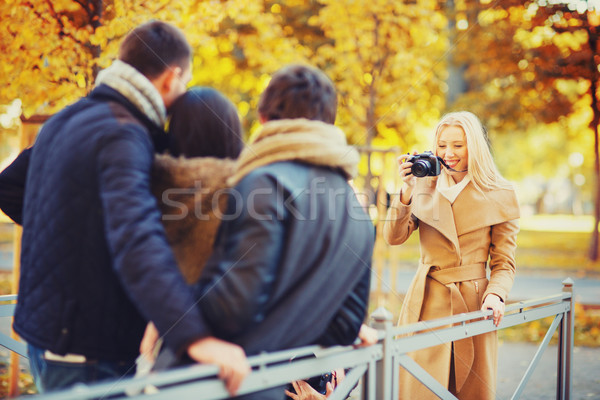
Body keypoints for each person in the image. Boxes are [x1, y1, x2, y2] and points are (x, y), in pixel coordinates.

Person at [9, 21, 249, 394]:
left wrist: (78, 232)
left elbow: (10, 187)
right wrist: (196, 337)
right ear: (171, 78)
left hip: (43, 337)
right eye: (184, 83)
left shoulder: (66, 120)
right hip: (88, 347)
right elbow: (136, 238)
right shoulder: (124, 134)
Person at [154, 64, 375, 400]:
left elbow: (233, 308)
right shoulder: (354, 207)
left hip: (220, 385)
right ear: (329, 122)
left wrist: (169, 305)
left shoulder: (263, 183)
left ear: (263, 117)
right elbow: (344, 326)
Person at [383, 111, 520, 399]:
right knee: (420, 388)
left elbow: (504, 263)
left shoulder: (501, 192)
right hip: (425, 302)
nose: (449, 153)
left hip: (472, 304)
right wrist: (406, 191)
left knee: (469, 388)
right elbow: (393, 237)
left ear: (474, 146)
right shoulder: (424, 184)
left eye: (458, 145)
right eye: (442, 145)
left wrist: (495, 295)